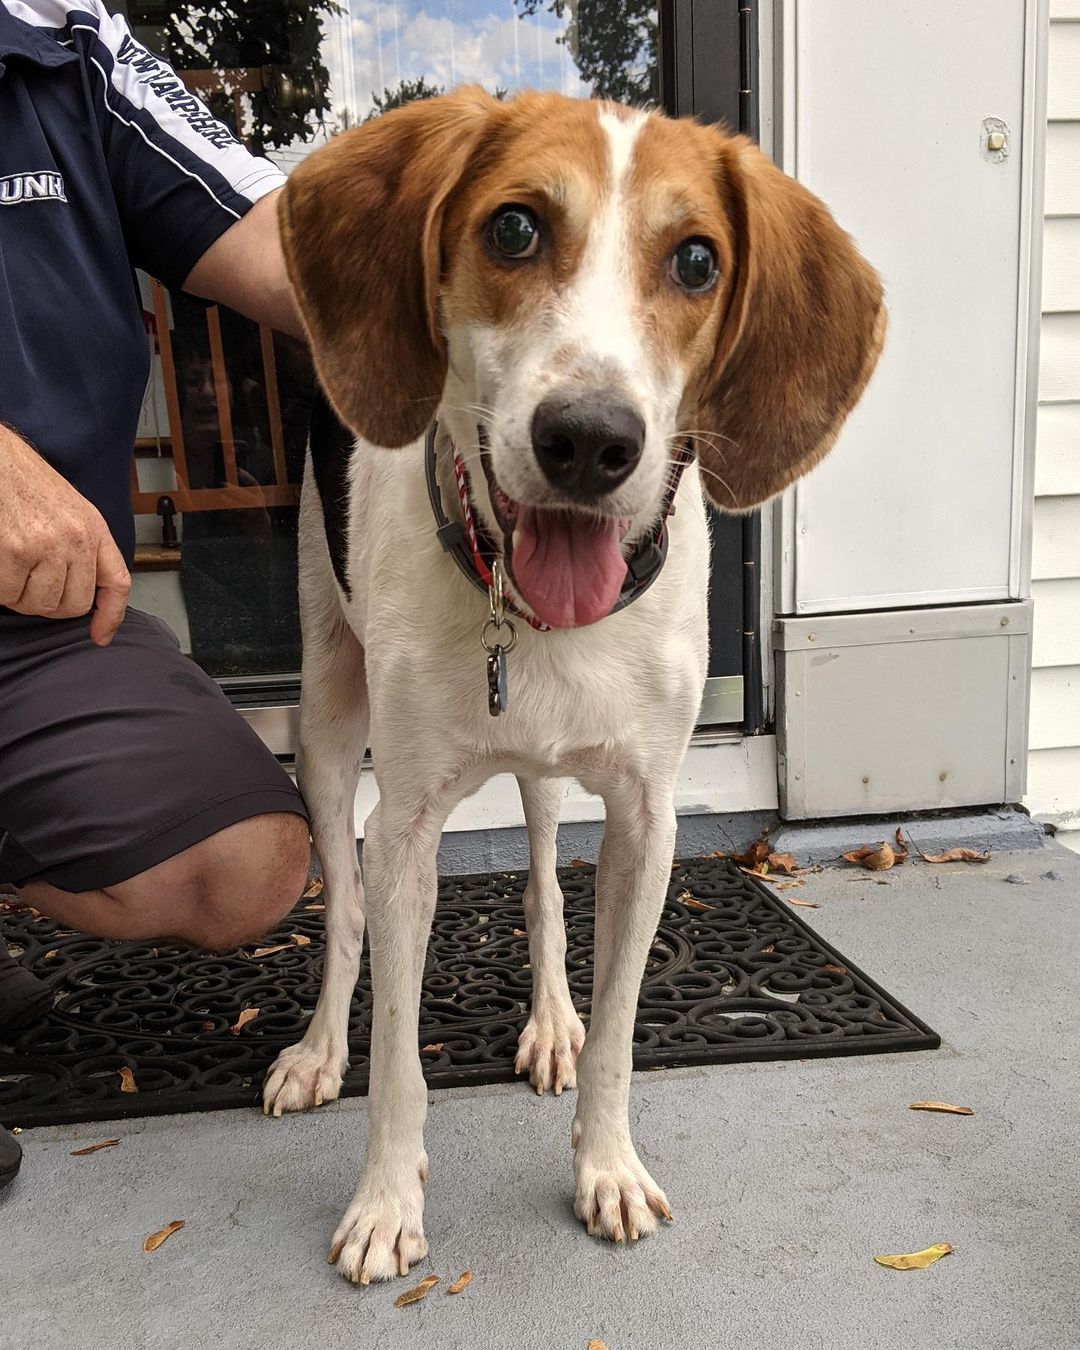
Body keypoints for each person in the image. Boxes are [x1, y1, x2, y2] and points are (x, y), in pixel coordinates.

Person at [0, 0, 315, 1187]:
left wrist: (524, 316)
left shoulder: (59, 44)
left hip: (34, 613)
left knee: (246, 866)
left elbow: (289, 247)